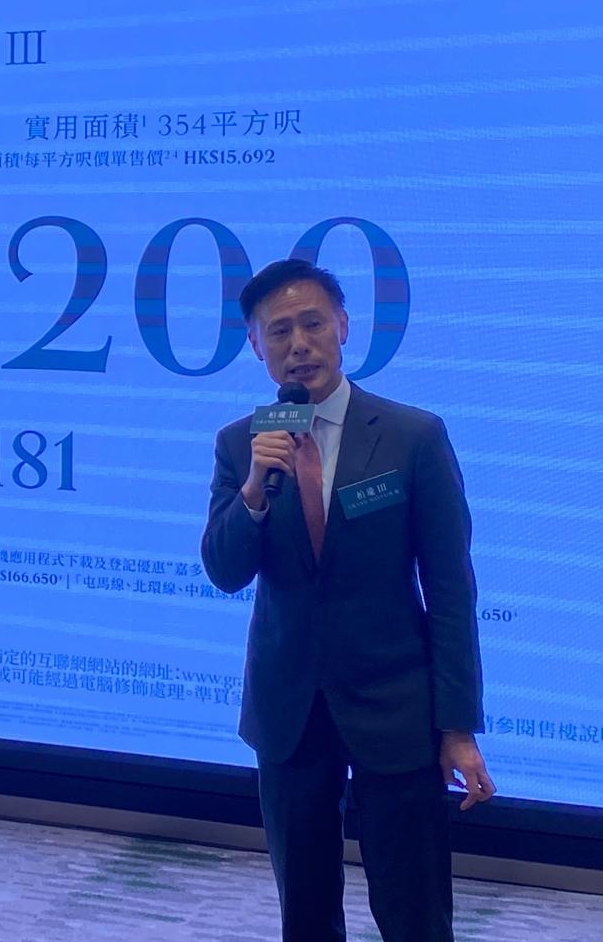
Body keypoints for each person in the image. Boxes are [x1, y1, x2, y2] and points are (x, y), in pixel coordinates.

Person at [201, 259, 494, 942]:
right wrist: (254, 488)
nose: (299, 344)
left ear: (343, 327)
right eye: (279, 332)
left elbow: (451, 590)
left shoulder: (412, 436)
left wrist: (457, 727)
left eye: (313, 324)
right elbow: (224, 569)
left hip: (396, 705)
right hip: (289, 710)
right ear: (256, 346)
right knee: (305, 912)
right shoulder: (241, 445)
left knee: (414, 910)